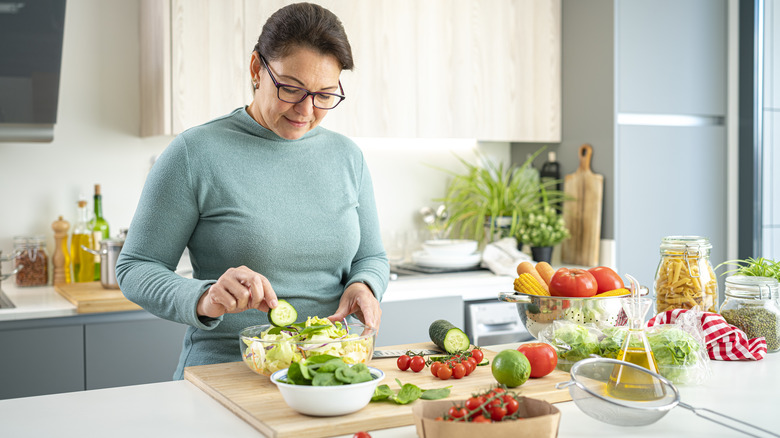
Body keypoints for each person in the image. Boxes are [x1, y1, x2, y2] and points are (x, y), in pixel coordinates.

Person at [116, 2, 389, 380]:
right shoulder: (195, 153)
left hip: (327, 376)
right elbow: (135, 268)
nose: (307, 110)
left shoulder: (347, 157)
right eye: (292, 89)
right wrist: (205, 297)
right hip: (227, 375)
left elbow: (372, 255)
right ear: (257, 69)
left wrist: (365, 285)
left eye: (325, 94)